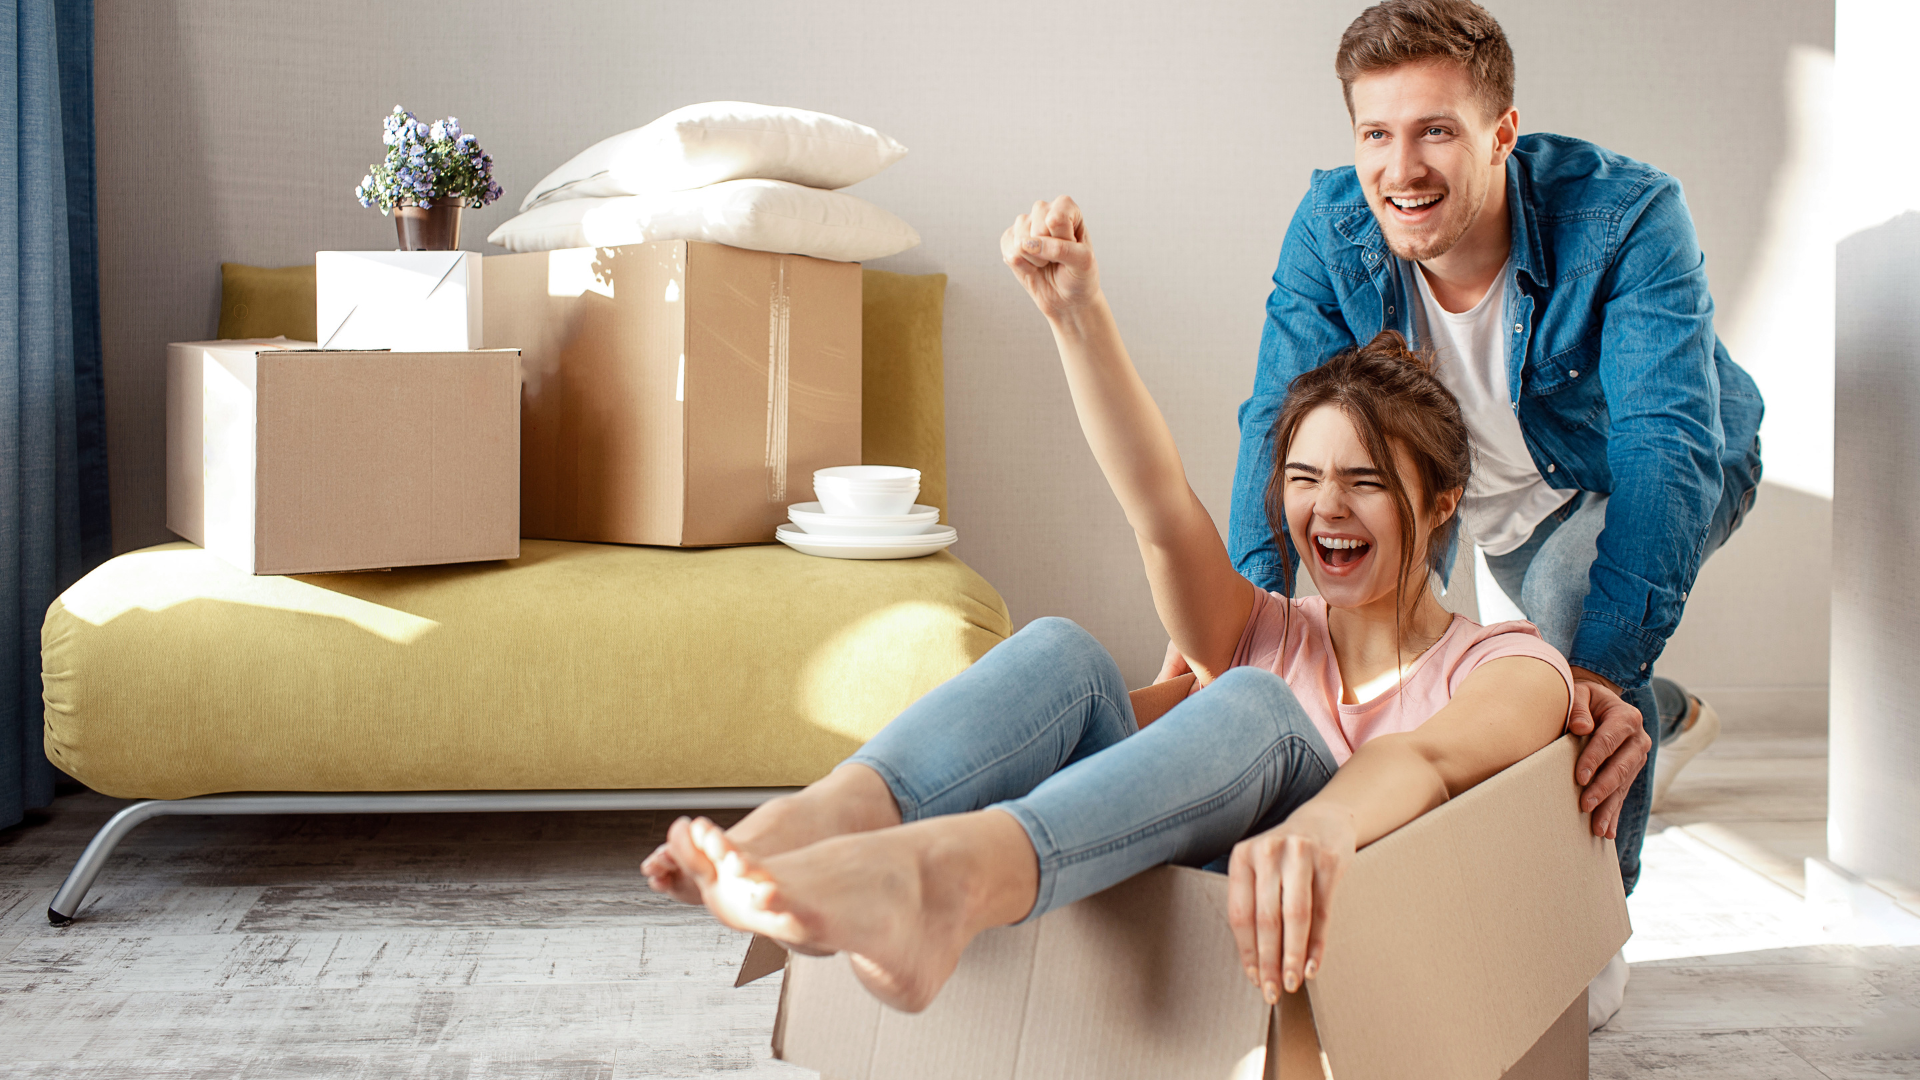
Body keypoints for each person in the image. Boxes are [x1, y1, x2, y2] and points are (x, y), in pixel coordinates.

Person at [641, 197, 1578, 1016]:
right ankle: (822, 822)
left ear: (1442, 502)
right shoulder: (1262, 628)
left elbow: (1424, 756)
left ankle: (952, 882)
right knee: (1063, 652)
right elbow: (1160, 507)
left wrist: (1322, 823)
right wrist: (1075, 312)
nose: (1325, 507)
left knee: (1253, 704)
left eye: (1363, 482)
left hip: (1310, 943)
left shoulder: (1508, 665)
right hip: (1139, 884)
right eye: (1302, 478)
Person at [1141, 0, 1764, 1022]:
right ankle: (1652, 711)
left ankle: (1587, 918)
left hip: (1630, 469)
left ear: (1502, 134)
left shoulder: (1630, 217)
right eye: (1377, 133)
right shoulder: (1336, 225)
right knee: (1393, 649)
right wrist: (1242, 620)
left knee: (1568, 643)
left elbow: (1667, 452)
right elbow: (1279, 421)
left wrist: (1601, 674)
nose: (1403, 169)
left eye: (1436, 130)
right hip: (1466, 491)